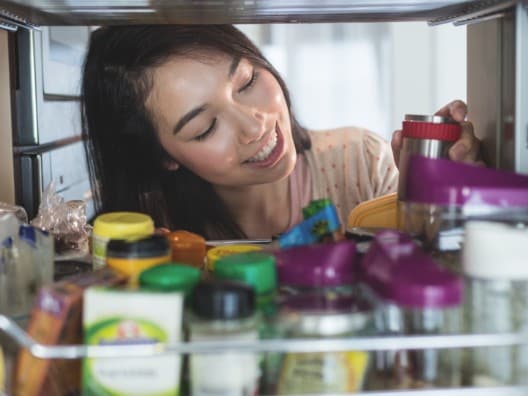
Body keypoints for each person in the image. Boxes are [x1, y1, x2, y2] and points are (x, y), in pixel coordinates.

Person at [81, 25, 481, 240]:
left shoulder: (361, 163)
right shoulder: (148, 233)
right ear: (162, 155)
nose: (256, 124)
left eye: (247, 81)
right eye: (205, 128)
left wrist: (448, 205)